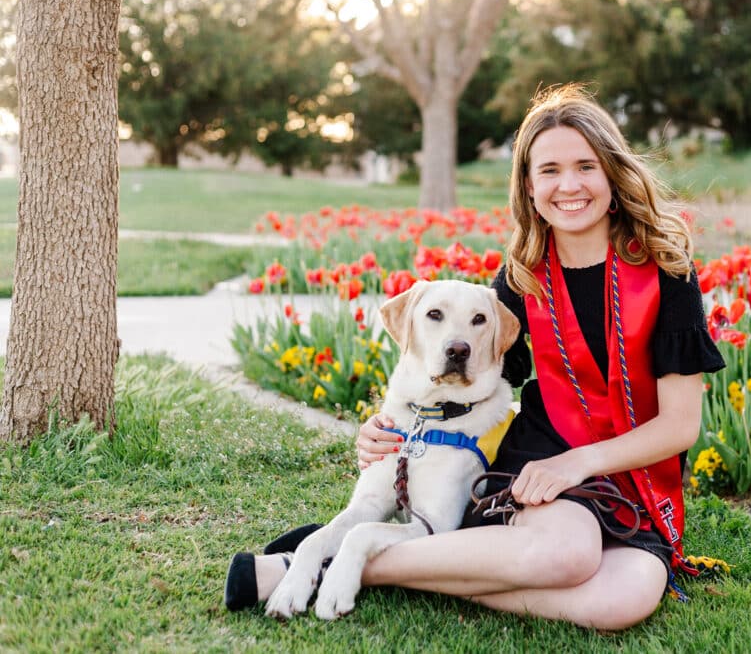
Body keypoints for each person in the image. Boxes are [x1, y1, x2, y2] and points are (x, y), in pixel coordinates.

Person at [225, 84, 725, 630]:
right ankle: (344, 556)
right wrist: (389, 427)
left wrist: (580, 462)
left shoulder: (664, 272)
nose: (570, 185)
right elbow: (463, 382)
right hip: (539, 461)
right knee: (570, 556)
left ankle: (330, 563)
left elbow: (679, 426)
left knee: (621, 602)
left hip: (627, 474)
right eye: (550, 170)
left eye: (585, 165)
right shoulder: (520, 279)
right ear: (529, 187)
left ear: (611, 172)